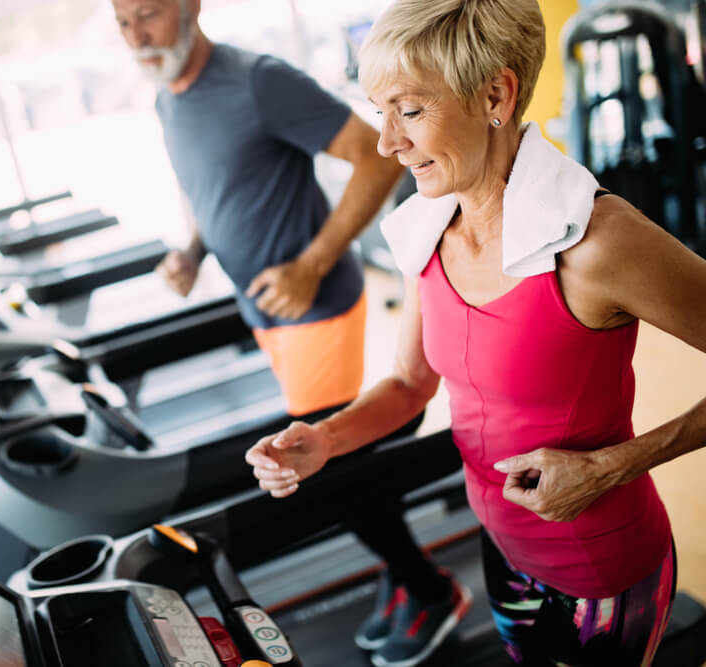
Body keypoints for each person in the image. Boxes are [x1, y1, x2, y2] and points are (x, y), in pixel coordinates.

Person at [246, 0, 706, 665]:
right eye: (381, 111)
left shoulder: (597, 243)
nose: (386, 143)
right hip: (503, 553)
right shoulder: (427, 226)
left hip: (601, 574)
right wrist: (324, 439)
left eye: (409, 110)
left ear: (495, 92)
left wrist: (609, 467)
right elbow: (409, 384)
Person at [111, 1, 471, 664]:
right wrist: (191, 250)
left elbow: (377, 158)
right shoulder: (168, 99)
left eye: (150, 14)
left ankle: (431, 588)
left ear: (190, 6)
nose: (136, 34)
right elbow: (206, 188)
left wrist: (312, 263)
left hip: (315, 307)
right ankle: (405, 566)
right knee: (345, 450)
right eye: (122, 20)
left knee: (324, 462)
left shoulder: (258, 80)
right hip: (264, 314)